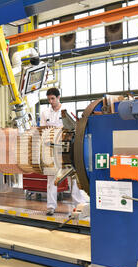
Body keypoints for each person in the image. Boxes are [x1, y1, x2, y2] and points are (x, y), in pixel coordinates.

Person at [40, 88, 89, 216]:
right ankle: (51, 207)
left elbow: (75, 127)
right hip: (52, 151)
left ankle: (79, 205)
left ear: (58, 97)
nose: (51, 101)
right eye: (49, 99)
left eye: (53, 99)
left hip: (69, 149)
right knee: (51, 179)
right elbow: (43, 131)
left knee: (74, 178)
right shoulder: (45, 113)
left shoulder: (67, 110)